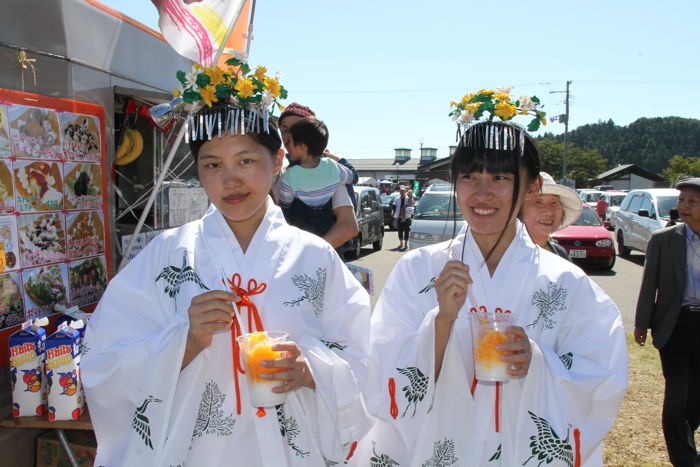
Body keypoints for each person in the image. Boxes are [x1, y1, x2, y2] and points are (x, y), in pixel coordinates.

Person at [82, 62, 371, 466]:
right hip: (194, 450)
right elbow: (103, 360)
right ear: (199, 173)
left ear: (277, 163)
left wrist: (309, 370)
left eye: (247, 161)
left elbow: (362, 355)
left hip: (291, 448)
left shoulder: (314, 257)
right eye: (213, 164)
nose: (230, 180)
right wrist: (185, 339)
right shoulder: (168, 255)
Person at [358, 89, 627, 466]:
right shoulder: (417, 270)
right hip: (437, 446)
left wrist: (537, 359)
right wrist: (441, 322)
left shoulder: (566, 283)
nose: (482, 192)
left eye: (500, 177)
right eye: (469, 176)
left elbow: (602, 378)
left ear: (532, 187)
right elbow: (380, 367)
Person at [634, 177, 700, 467]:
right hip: (675, 325)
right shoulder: (664, 240)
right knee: (677, 391)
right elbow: (650, 285)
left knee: (695, 395)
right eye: (681, 201)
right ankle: (684, 459)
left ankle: (686, 439)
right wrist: (641, 323)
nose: (683, 207)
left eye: (692, 202)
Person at [278, 117, 355, 238]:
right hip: (329, 232)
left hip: (302, 235)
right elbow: (353, 176)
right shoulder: (334, 167)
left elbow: (284, 206)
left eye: (290, 143)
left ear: (302, 146)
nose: (288, 147)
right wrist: (338, 159)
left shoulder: (289, 176)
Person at [521, 172, 582, 260]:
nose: (549, 212)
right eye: (538, 202)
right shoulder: (503, 256)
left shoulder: (560, 254)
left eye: (554, 202)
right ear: (520, 209)